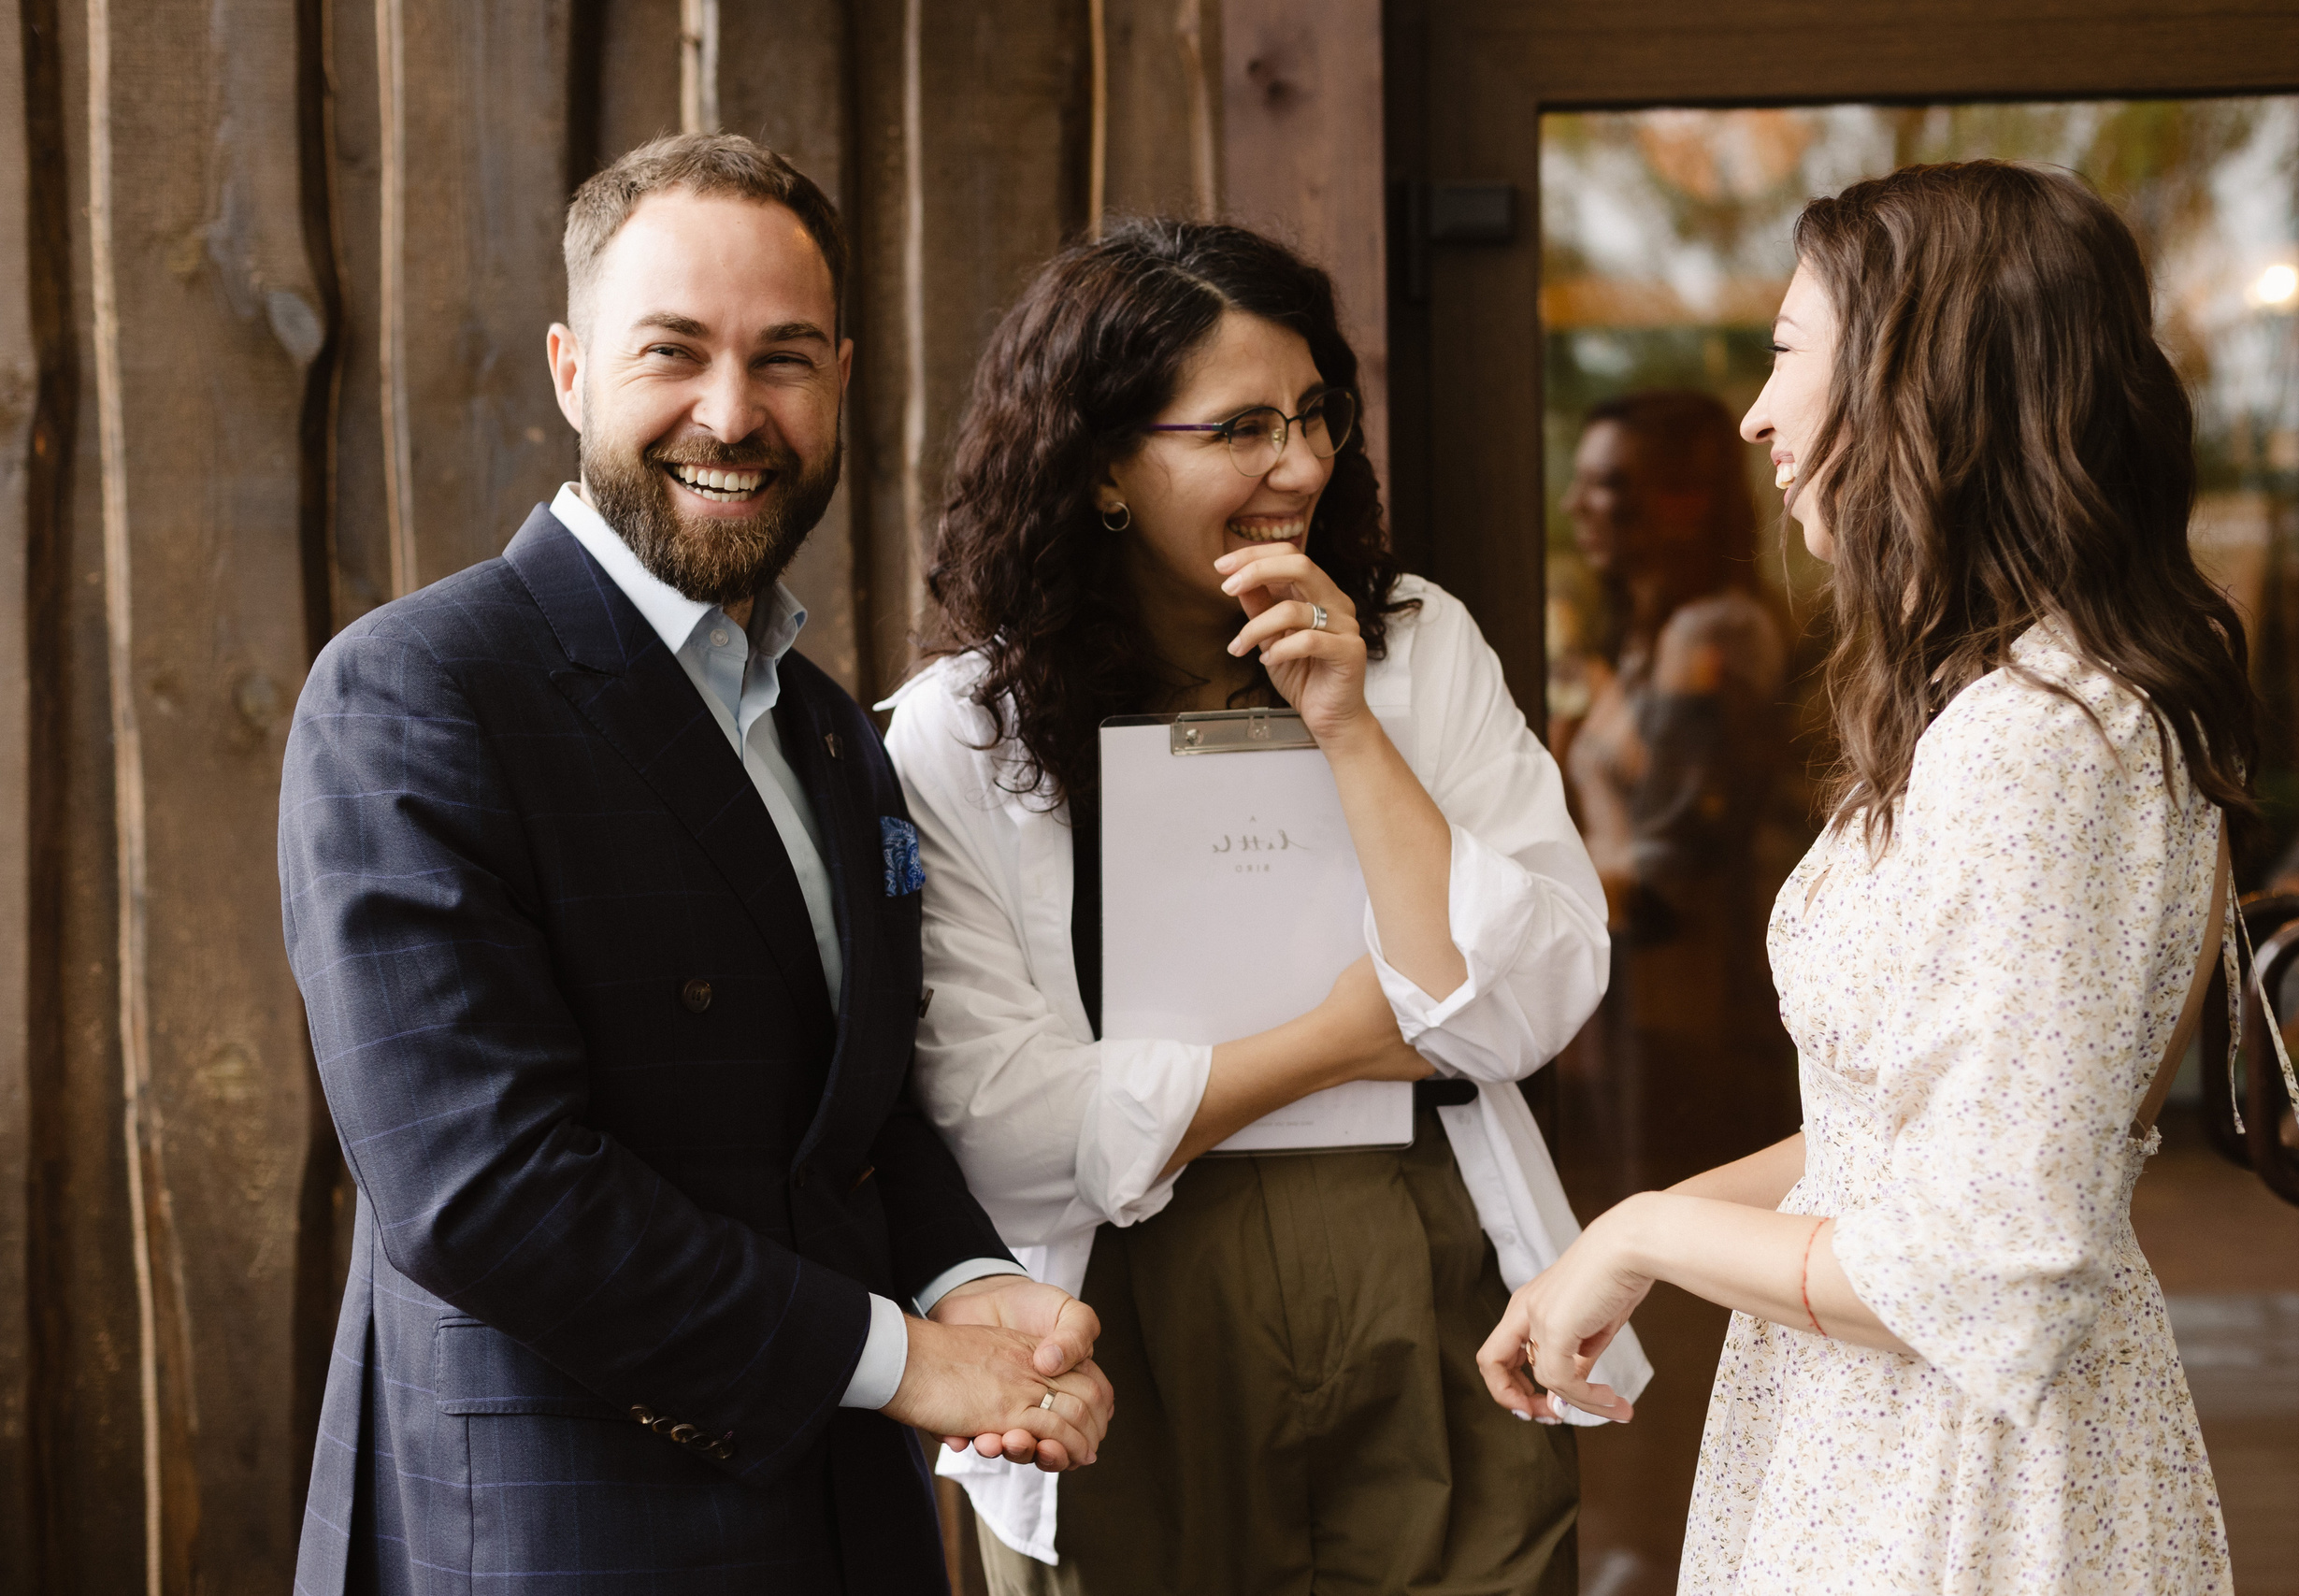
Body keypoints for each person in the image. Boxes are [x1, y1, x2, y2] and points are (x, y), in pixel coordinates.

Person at [1479, 161, 2299, 1592]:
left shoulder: (2037, 742)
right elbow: (1893, 1136)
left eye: (1783, 355)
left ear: (1919, 388)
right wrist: (1627, 1242)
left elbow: (1987, 1254)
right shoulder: (2041, 704)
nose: (1757, 412)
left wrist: (1639, 1226)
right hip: (1885, 1417)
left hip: (1958, 1457)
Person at [280, 133, 1112, 1596]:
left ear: (842, 380)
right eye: (675, 350)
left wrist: (977, 1291)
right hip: (558, 1529)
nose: (733, 414)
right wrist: (909, 1357)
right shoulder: (419, 687)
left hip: (842, 1517)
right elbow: (484, 1189)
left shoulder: (834, 728)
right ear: (570, 368)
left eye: (784, 358)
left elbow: (848, 1113)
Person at [884, 218, 1644, 1595]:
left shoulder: (1417, 644)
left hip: (1432, 1289)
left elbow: (1536, 995)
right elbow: (994, 1117)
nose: (1299, 463)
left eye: (1313, 415)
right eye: (1241, 426)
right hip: (1117, 1334)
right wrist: (1349, 1033)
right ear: (1104, 462)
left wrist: (1351, 724)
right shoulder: (961, 732)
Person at [1549, 391, 1794, 1194]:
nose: (1575, 503)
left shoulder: (1713, 636)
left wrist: (1523, 888)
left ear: (1685, 500)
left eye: (1608, 483)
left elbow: (1672, 859)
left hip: (1693, 1004)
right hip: (1643, 996)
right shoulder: (1646, 639)